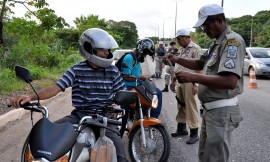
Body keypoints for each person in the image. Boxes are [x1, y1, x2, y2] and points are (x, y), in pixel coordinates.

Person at [10, 28, 129, 162]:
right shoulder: (77, 69)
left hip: (104, 117)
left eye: (108, 49)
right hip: (80, 115)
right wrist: (31, 97)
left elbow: (121, 93)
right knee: (49, 136)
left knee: (120, 156)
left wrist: (118, 103)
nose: (106, 53)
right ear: (89, 49)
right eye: (102, 49)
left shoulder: (112, 71)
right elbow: (56, 87)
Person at [164, 4, 245, 162]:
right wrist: (177, 58)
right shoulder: (216, 43)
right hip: (211, 111)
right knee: (205, 156)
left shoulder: (232, 42)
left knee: (215, 158)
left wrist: (193, 78)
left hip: (222, 111)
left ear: (219, 21)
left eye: (206, 26)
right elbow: (200, 63)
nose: (204, 31)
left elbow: (230, 81)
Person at [118, 38, 163, 137]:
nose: (144, 56)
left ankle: (151, 120)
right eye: (145, 54)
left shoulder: (137, 59)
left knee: (157, 93)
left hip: (137, 85)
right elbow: (126, 76)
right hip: (128, 87)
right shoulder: (129, 58)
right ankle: (120, 131)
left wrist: (144, 80)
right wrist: (140, 78)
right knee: (125, 109)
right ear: (140, 50)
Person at [165, 29, 202, 145]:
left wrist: (196, 84)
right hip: (180, 81)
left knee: (190, 106)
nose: (178, 41)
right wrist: (173, 81)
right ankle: (182, 129)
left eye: (179, 39)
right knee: (181, 105)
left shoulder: (196, 49)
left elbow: (200, 68)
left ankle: (194, 132)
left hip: (190, 82)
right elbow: (179, 67)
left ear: (186, 37)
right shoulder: (181, 49)